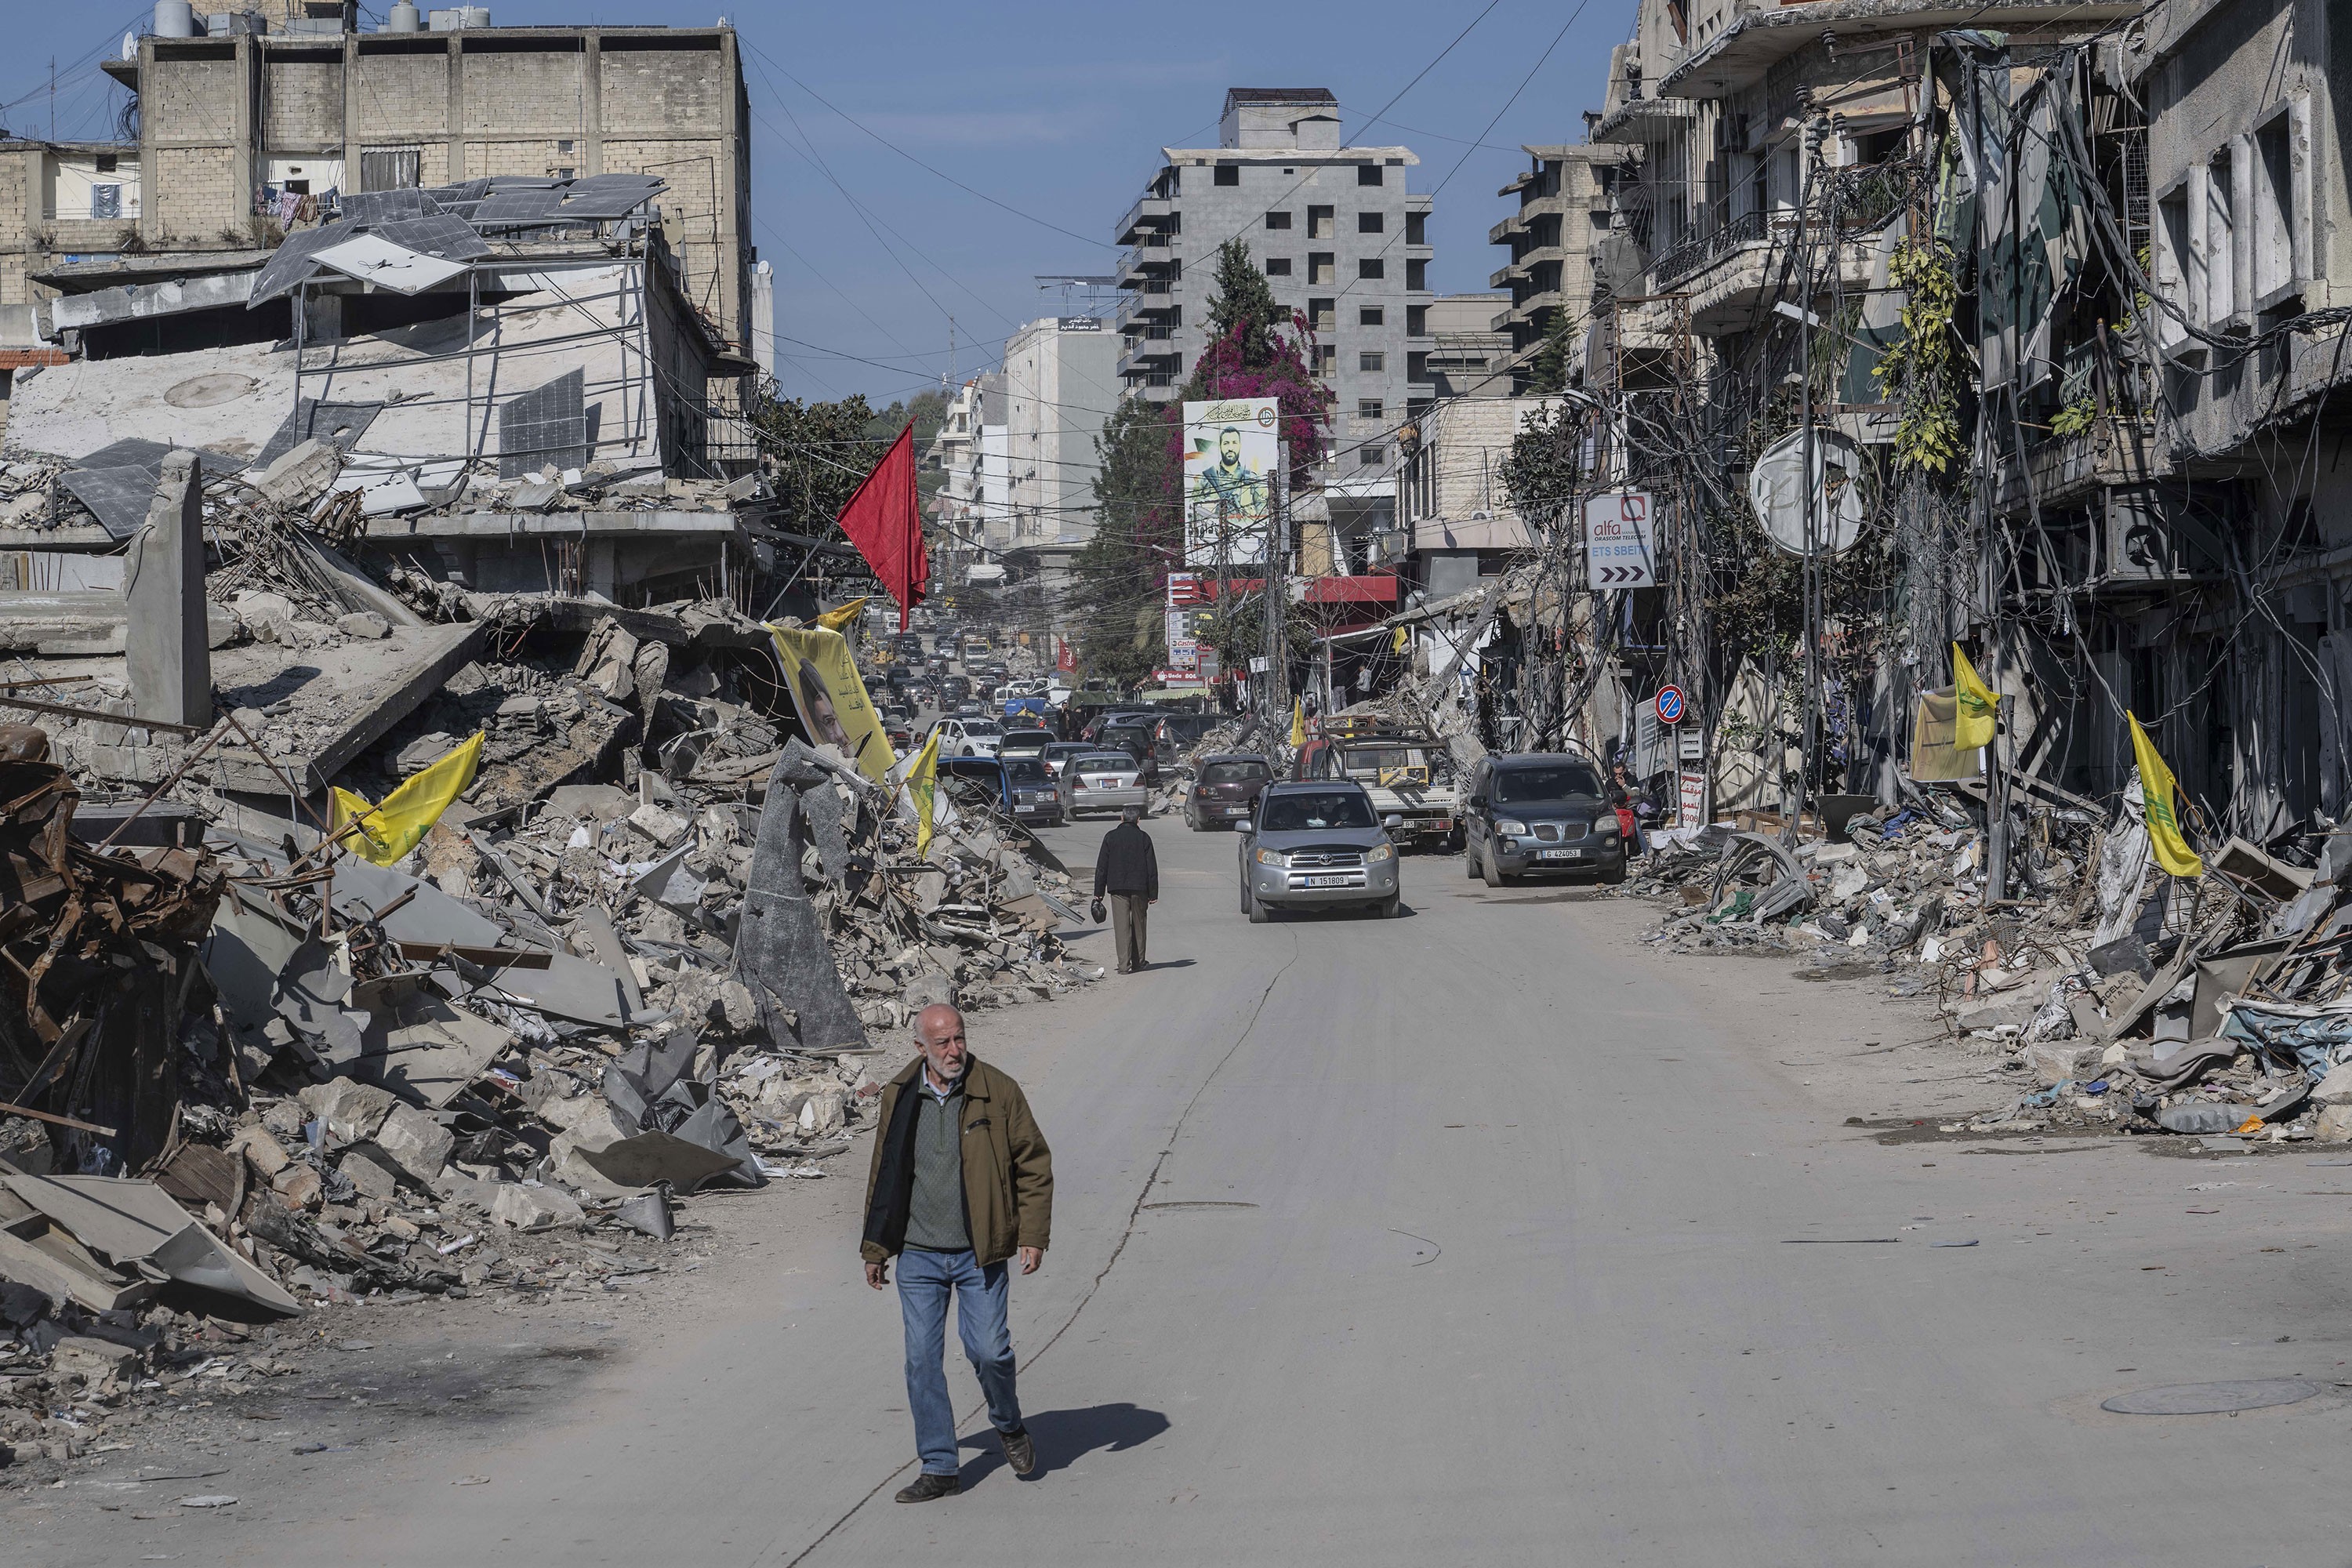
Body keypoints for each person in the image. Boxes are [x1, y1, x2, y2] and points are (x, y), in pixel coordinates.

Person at [862, 1004, 1054, 1502]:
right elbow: (885, 1173)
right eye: (942, 1043)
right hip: (920, 1256)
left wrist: (1032, 1234)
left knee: (990, 1352)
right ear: (919, 1048)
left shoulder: (998, 1091)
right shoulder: (900, 1097)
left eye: (959, 1039)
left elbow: (1033, 1164)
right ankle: (941, 1466)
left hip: (979, 1253)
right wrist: (877, 1247)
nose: (954, 1051)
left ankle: (1009, 1424)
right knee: (922, 1361)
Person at [1093, 803, 1160, 974]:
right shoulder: (1144, 838)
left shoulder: (1110, 837)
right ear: (1138, 820)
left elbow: (1102, 867)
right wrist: (1153, 893)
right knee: (1139, 925)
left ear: (1121, 818)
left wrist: (1098, 893)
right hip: (1140, 889)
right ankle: (1139, 962)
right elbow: (1152, 868)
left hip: (1117, 890)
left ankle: (1124, 966)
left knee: (1122, 928)